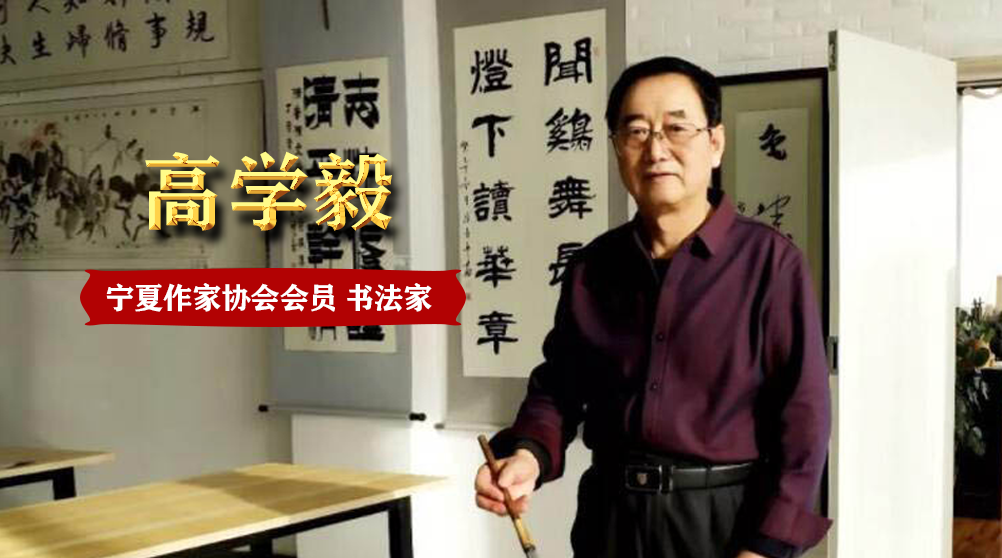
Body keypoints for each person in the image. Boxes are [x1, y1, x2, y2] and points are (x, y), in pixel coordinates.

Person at [473, 56, 832, 558]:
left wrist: (766, 548)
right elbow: (559, 388)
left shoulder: (770, 263)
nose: (656, 150)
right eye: (637, 131)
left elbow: (804, 421)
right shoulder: (593, 268)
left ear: (715, 143)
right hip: (610, 518)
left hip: (723, 521)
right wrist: (528, 456)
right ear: (617, 148)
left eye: (677, 128)